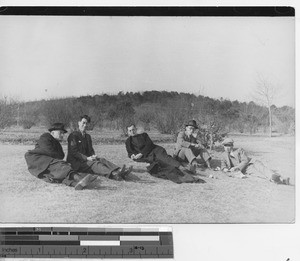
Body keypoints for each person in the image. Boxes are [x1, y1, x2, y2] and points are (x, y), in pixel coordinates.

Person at [24, 123, 96, 190]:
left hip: (45, 163)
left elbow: (61, 155)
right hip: (37, 161)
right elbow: (49, 151)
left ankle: (75, 184)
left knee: (57, 174)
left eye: (63, 133)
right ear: (52, 133)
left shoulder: (56, 143)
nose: (62, 135)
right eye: (60, 133)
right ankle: (79, 178)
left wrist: (56, 157)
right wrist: (57, 157)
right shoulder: (45, 136)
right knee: (61, 165)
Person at [125, 124, 203, 184]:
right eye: (130, 131)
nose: (132, 132)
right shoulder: (128, 141)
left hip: (155, 150)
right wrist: (132, 156)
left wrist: (141, 153)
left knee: (166, 160)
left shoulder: (144, 135)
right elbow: (129, 152)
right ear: (128, 132)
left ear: (136, 129)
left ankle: (183, 169)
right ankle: (184, 172)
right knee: (161, 167)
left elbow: (149, 145)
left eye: (133, 129)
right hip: (147, 157)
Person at [67, 115, 132, 181]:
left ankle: (119, 170)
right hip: (76, 163)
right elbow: (74, 152)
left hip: (85, 160)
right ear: (79, 123)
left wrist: (93, 155)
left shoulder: (88, 136)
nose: (85, 125)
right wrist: (87, 158)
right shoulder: (73, 136)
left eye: (86, 123)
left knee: (101, 160)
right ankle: (113, 174)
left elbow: (90, 150)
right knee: (95, 164)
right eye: (83, 123)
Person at [220, 138, 290, 184]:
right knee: (260, 175)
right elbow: (223, 165)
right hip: (245, 170)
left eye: (229, 146)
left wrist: (235, 167)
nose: (227, 148)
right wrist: (225, 169)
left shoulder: (239, 150)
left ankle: (280, 178)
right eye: (225, 146)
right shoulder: (223, 155)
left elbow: (245, 161)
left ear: (232, 146)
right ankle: (281, 180)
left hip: (251, 163)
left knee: (263, 170)